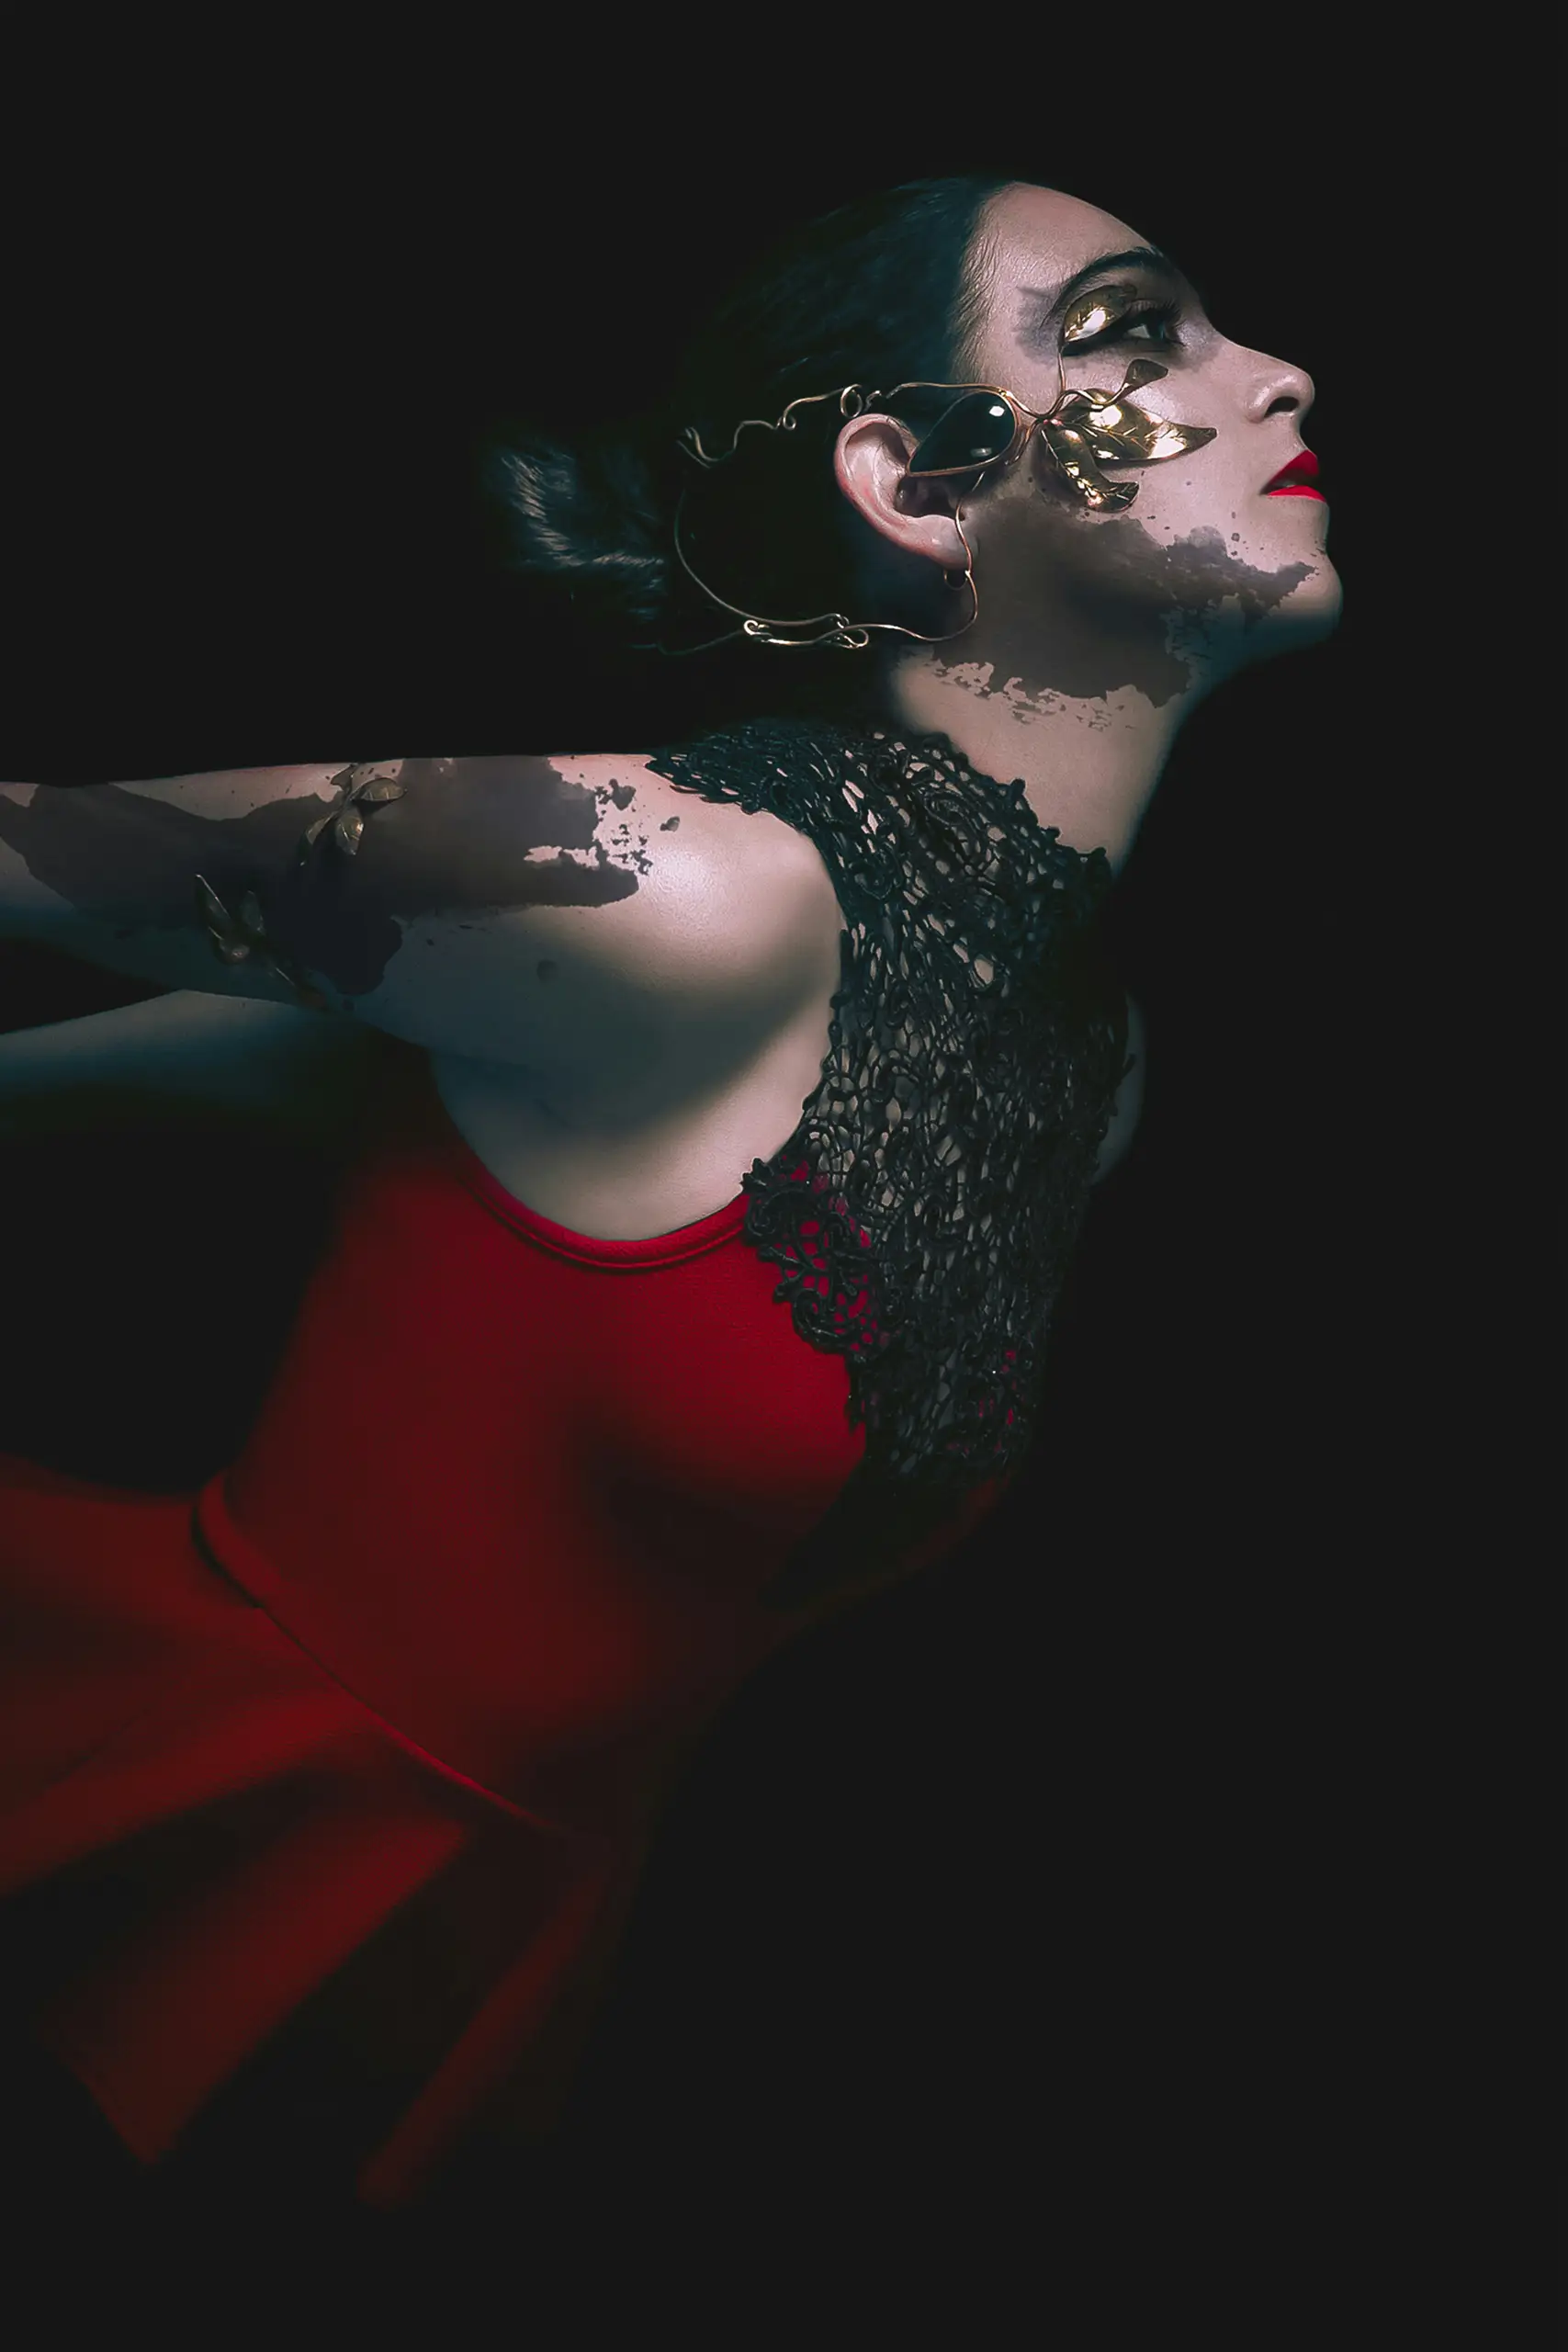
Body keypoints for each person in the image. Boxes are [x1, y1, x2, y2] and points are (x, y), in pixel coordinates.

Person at [0, 175, 1340, 2212]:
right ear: (912, 481)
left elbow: (377, 1090)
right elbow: (42, 853)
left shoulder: (1096, 1066)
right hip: (145, 1824)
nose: (1279, 374)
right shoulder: (676, 888)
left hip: (493, 1966)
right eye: (1128, 330)